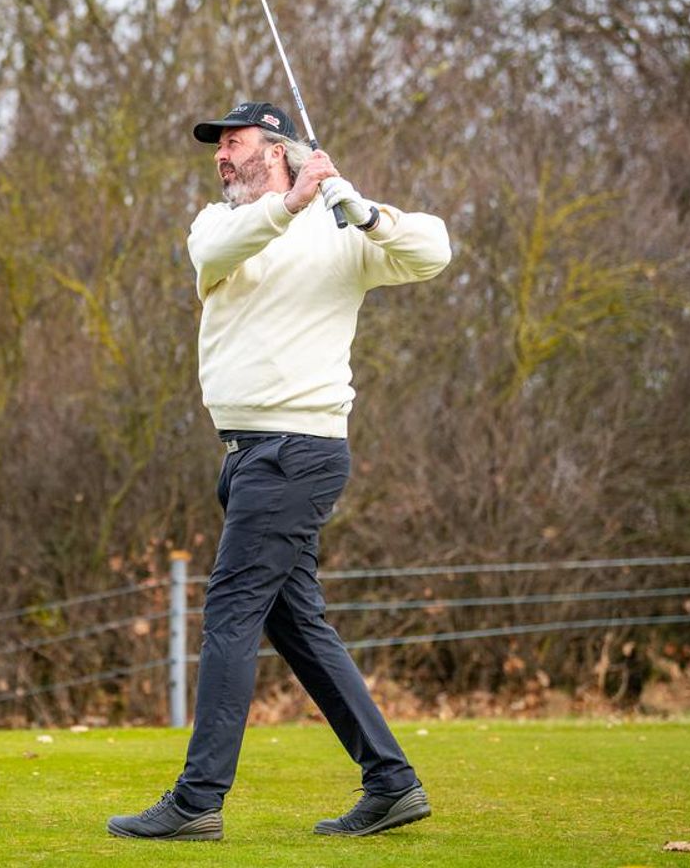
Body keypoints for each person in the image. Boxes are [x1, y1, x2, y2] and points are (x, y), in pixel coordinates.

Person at [107, 101, 452, 842]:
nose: (221, 156)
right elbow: (219, 250)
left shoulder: (342, 231)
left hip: (296, 452)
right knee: (296, 624)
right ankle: (391, 782)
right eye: (218, 146)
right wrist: (292, 203)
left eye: (234, 143)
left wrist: (363, 211)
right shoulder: (219, 225)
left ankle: (197, 801)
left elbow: (433, 251)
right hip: (245, 457)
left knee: (231, 612)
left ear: (278, 150)